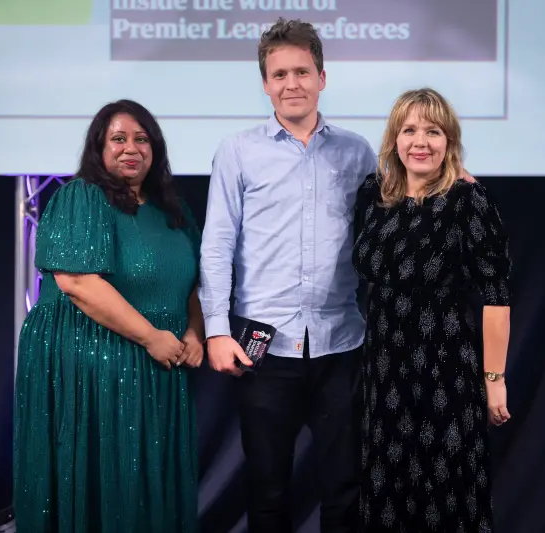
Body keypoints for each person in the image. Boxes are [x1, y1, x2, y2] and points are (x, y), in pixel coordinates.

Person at [198, 18, 377, 533]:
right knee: (268, 491)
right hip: (263, 349)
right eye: (279, 74)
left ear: (323, 77)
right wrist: (215, 330)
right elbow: (217, 245)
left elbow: (389, 228)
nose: (291, 83)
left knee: (345, 489)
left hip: (341, 344)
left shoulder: (357, 151)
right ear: (265, 83)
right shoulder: (237, 151)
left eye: (302, 71)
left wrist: (453, 180)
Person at [13, 99, 204, 533]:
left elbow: (192, 283)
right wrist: (152, 337)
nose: (130, 148)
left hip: (159, 366)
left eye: (141, 139)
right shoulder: (81, 197)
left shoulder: (173, 210)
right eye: (118, 139)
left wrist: (194, 332)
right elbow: (78, 283)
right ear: (99, 147)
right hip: (91, 365)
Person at [353, 88, 512, 532]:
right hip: (383, 376)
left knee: (447, 498)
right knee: (389, 498)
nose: (420, 141)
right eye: (409, 130)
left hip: (447, 374)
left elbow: (496, 299)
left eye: (433, 131)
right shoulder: (373, 196)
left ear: (449, 141)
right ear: (394, 139)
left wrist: (494, 381)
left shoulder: (469, 201)